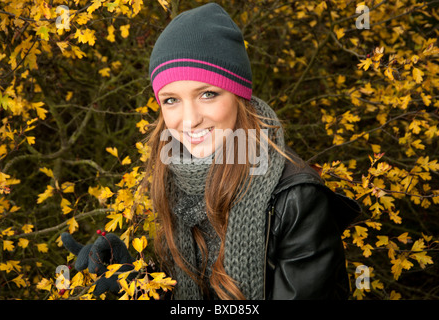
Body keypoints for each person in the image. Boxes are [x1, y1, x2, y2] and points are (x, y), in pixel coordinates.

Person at [61, 2, 361, 300]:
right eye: (171, 100)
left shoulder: (296, 200)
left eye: (207, 94)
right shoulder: (175, 178)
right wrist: (135, 281)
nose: (190, 119)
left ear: (239, 94)